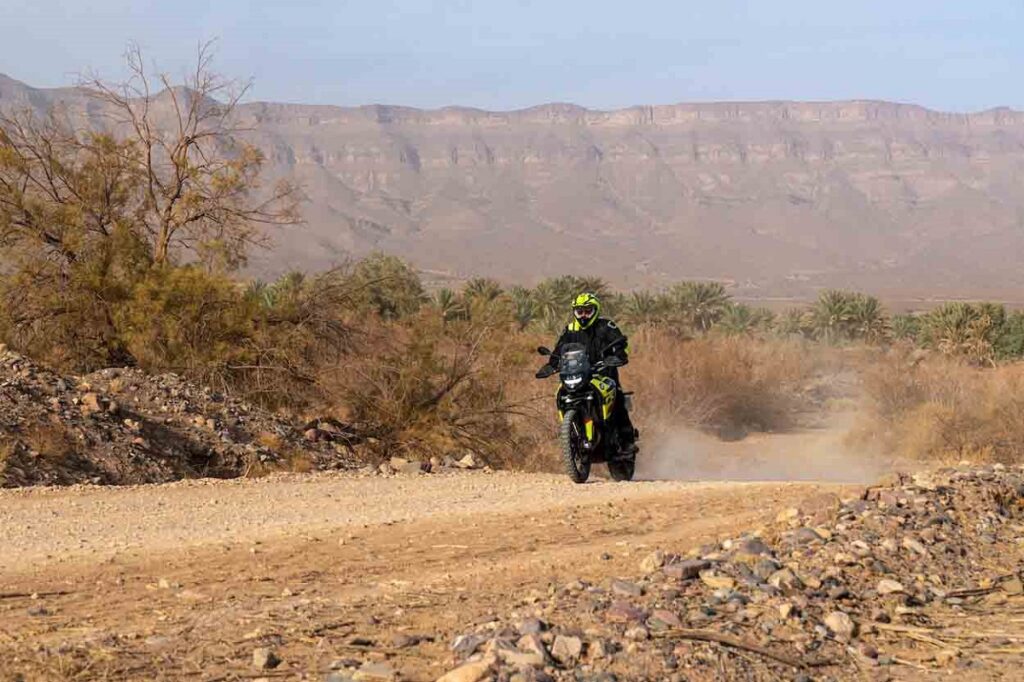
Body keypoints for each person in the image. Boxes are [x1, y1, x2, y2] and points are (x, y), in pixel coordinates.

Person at [540, 292, 638, 453]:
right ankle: (571, 434)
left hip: (604, 372)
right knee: (561, 394)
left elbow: (621, 343)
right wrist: (552, 364)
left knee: (618, 399)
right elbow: (559, 350)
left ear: (595, 310)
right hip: (577, 373)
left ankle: (627, 440)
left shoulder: (606, 326)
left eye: (587, 311)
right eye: (580, 311)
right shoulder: (570, 329)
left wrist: (619, 355)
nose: (583, 315)